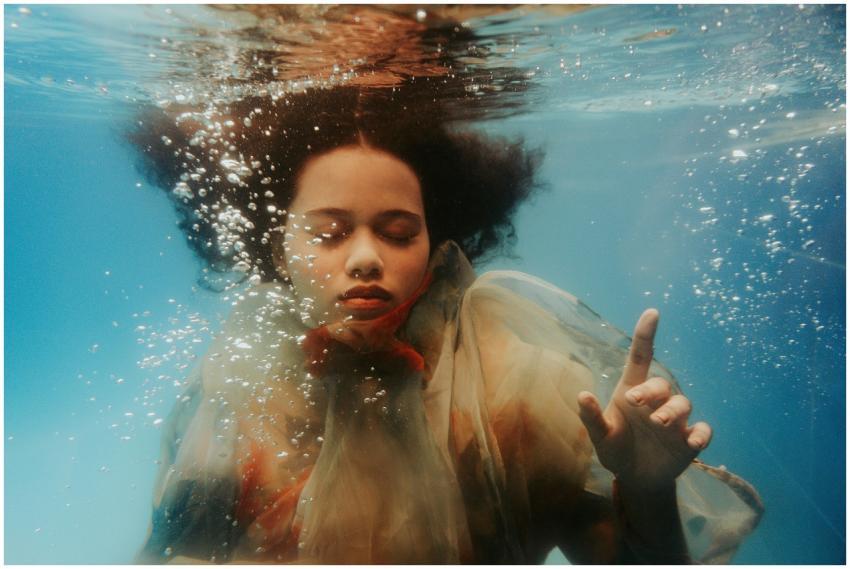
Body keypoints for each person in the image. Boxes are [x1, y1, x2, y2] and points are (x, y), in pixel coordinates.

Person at [130, 85, 762, 564]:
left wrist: (646, 488)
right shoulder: (245, 382)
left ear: (436, 242)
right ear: (276, 251)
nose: (365, 257)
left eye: (398, 232)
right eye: (327, 234)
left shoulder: (520, 388)